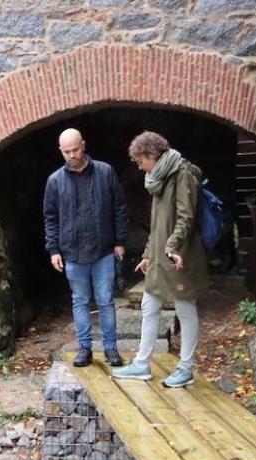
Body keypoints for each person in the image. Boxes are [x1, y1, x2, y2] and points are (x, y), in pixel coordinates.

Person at [113, 131, 208, 388]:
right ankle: (142, 365)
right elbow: (158, 225)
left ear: (151, 155)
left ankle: (185, 368)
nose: (139, 165)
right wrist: (147, 254)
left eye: (140, 160)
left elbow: (185, 218)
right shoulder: (158, 177)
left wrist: (172, 247)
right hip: (160, 255)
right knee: (149, 305)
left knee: (185, 309)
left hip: (179, 255)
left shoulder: (182, 174)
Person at [43, 128, 128, 368]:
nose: (72, 155)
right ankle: (84, 349)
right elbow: (50, 218)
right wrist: (54, 250)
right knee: (80, 301)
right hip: (73, 252)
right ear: (61, 151)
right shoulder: (55, 181)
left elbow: (119, 208)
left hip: (103, 250)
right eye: (67, 151)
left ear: (84, 145)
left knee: (105, 301)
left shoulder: (105, 172)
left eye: (75, 149)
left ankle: (111, 348)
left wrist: (120, 241)